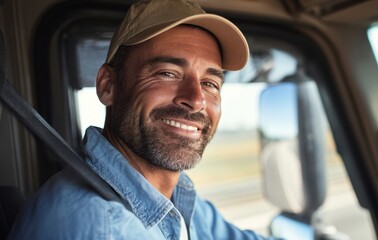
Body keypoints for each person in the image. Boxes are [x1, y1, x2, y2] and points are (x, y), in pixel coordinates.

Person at [8, 0, 275, 239]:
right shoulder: (102, 228)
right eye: (167, 73)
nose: (196, 100)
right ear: (108, 86)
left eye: (210, 83)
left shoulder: (173, 197)